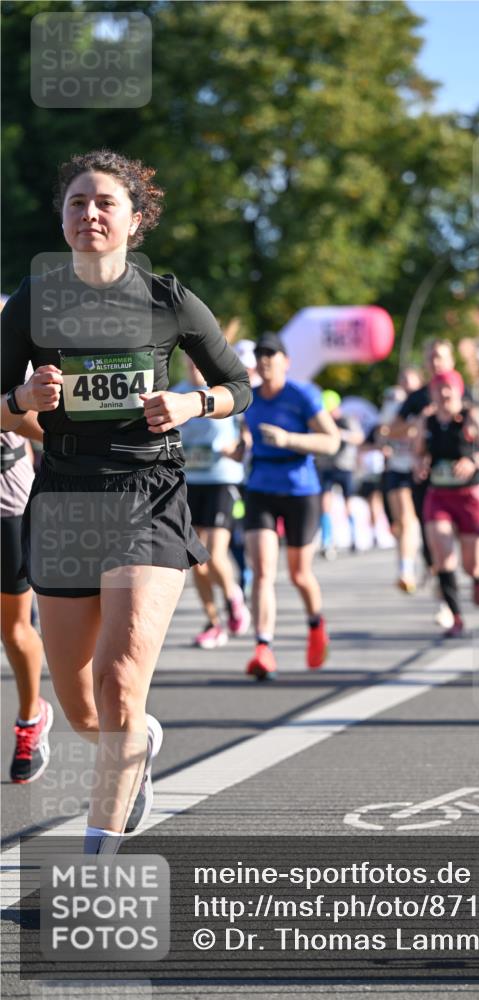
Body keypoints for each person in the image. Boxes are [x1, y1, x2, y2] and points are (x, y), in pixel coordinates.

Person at [1, 150, 251, 854]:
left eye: (105, 203)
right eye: (77, 202)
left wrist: (193, 400)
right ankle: (138, 741)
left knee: (118, 684)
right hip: (64, 501)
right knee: (84, 706)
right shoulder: (33, 300)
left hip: (148, 493)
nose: (88, 214)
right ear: (62, 217)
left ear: (134, 220)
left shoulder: (167, 299)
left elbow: (240, 387)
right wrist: (19, 400)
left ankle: (98, 855)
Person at [241, 332, 340, 679]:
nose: (266, 361)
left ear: (286, 361)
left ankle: (316, 626)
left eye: (272, 355)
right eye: (261, 355)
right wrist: (236, 450)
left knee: (299, 574)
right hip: (261, 486)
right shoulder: (249, 399)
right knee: (263, 570)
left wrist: (289, 440)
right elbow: (244, 439)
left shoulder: (302, 395)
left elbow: (332, 441)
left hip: (301, 489)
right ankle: (263, 648)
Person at [414, 370, 479, 637]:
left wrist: (473, 461)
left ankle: (478, 578)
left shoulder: (472, 417)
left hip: (470, 497)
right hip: (439, 495)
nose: (443, 394)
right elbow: (417, 453)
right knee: (440, 549)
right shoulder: (426, 421)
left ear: (458, 390)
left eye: (448, 388)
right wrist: (419, 465)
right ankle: (456, 617)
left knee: (471, 564)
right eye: (438, 389)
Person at [173, 357, 250, 648]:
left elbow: (245, 434)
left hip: (221, 480)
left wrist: (239, 448)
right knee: (196, 561)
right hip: (189, 483)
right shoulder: (176, 394)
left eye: (198, 363)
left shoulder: (220, 393)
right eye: (190, 364)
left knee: (214, 554)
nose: (194, 368)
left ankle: (233, 596)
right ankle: (213, 623)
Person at [1, 415, 53, 783]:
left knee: (15, 630)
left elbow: (42, 425)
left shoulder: (11, 356)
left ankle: (31, 716)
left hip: (7, 503)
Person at [389, 339, 457, 586]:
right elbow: (392, 429)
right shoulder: (418, 397)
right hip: (427, 475)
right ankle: (442, 589)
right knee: (431, 532)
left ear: (452, 361)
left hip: (460, 479)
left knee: (461, 542)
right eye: (431, 358)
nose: (436, 363)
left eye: (440, 357)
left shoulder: (463, 392)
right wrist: (418, 422)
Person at [374, 377, 421, 591]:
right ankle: (405, 567)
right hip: (395, 468)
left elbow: (416, 432)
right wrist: (384, 442)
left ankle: (411, 567)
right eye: (404, 383)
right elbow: (382, 432)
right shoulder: (393, 404)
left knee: (409, 519)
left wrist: (405, 428)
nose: (407, 388)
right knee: (401, 523)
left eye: (412, 384)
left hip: (417, 470)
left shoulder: (424, 406)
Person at [317, 389, 365, 559]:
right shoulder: (320, 421)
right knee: (324, 503)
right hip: (326, 466)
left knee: (348, 503)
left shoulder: (347, 420)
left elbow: (359, 437)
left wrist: (341, 434)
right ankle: (326, 540)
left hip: (344, 466)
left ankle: (355, 538)